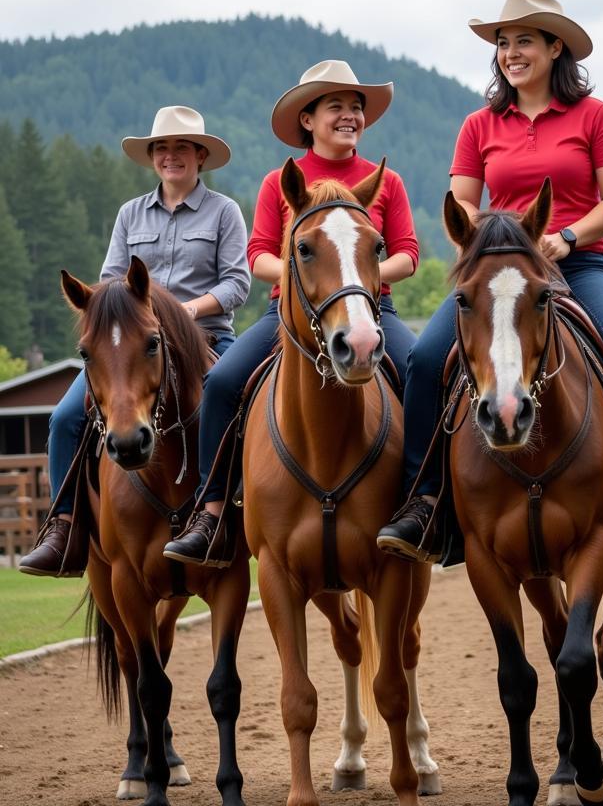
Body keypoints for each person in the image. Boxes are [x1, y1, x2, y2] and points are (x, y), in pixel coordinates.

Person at [377, 0, 603, 562]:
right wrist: (503, 245)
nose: (511, 53)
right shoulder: (479, 124)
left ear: (557, 47)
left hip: (579, 263)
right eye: (503, 44)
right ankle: (425, 501)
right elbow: (462, 205)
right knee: (426, 358)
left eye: (524, 41)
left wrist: (567, 236)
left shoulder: (594, 116)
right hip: (499, 272)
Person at [162, 60, 419, 566]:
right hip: (292, 313)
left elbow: (408, 253)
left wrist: (357, 280)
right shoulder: (280, 182)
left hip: (372, 310)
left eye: (356, 108)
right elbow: (257, 255)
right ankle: (212, 511)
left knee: (426, 371)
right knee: (222, 383)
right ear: (308, 119)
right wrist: (305, 276)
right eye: (336, 107)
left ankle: (426, 503)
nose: (350, 116)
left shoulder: (384, 181)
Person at [20, 106, 250, 576]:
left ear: (200, 155)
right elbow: (109, 282)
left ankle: (234, 513)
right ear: (152, 159)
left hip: (204, 336)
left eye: (181, 148)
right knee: (65, 416)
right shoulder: (130, 215)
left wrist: (186, 311)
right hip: (130, 346)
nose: (171, 157)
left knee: (233, 401)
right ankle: (63, 529)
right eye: (161, 149)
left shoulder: (224, 211)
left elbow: (236, 283)